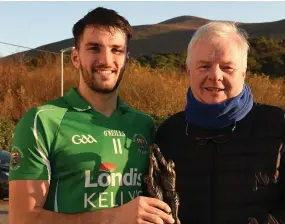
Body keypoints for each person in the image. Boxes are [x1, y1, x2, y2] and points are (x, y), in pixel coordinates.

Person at [155, 22, 285, 223]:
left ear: (243, 72)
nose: (215, 76)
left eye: (227, 67)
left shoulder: (284, 127)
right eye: (204, 66)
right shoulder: (169, 134)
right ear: (189, 69)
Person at [9, 7, 174, 224]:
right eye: (94, 48)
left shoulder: (143, 124)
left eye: (116, 50)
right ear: (75, 58)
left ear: (126, 59)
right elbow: (23, 219)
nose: (106, 60)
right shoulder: (41, 122)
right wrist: (112, 217)